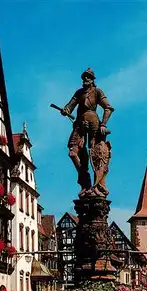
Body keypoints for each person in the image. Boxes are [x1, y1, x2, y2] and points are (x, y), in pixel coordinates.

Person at [61, 69, 114, 197]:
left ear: (92, 79)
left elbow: (108, 108)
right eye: (84, 77)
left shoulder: (97, 92)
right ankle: (85, 181)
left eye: (88, 77)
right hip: (80, 125)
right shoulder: (79, 93)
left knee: (96, 154)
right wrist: (66, 110)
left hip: (94, 123)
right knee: (73, 152)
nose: (85, 79)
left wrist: (103, 124)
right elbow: (70, 105)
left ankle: (98, 185)